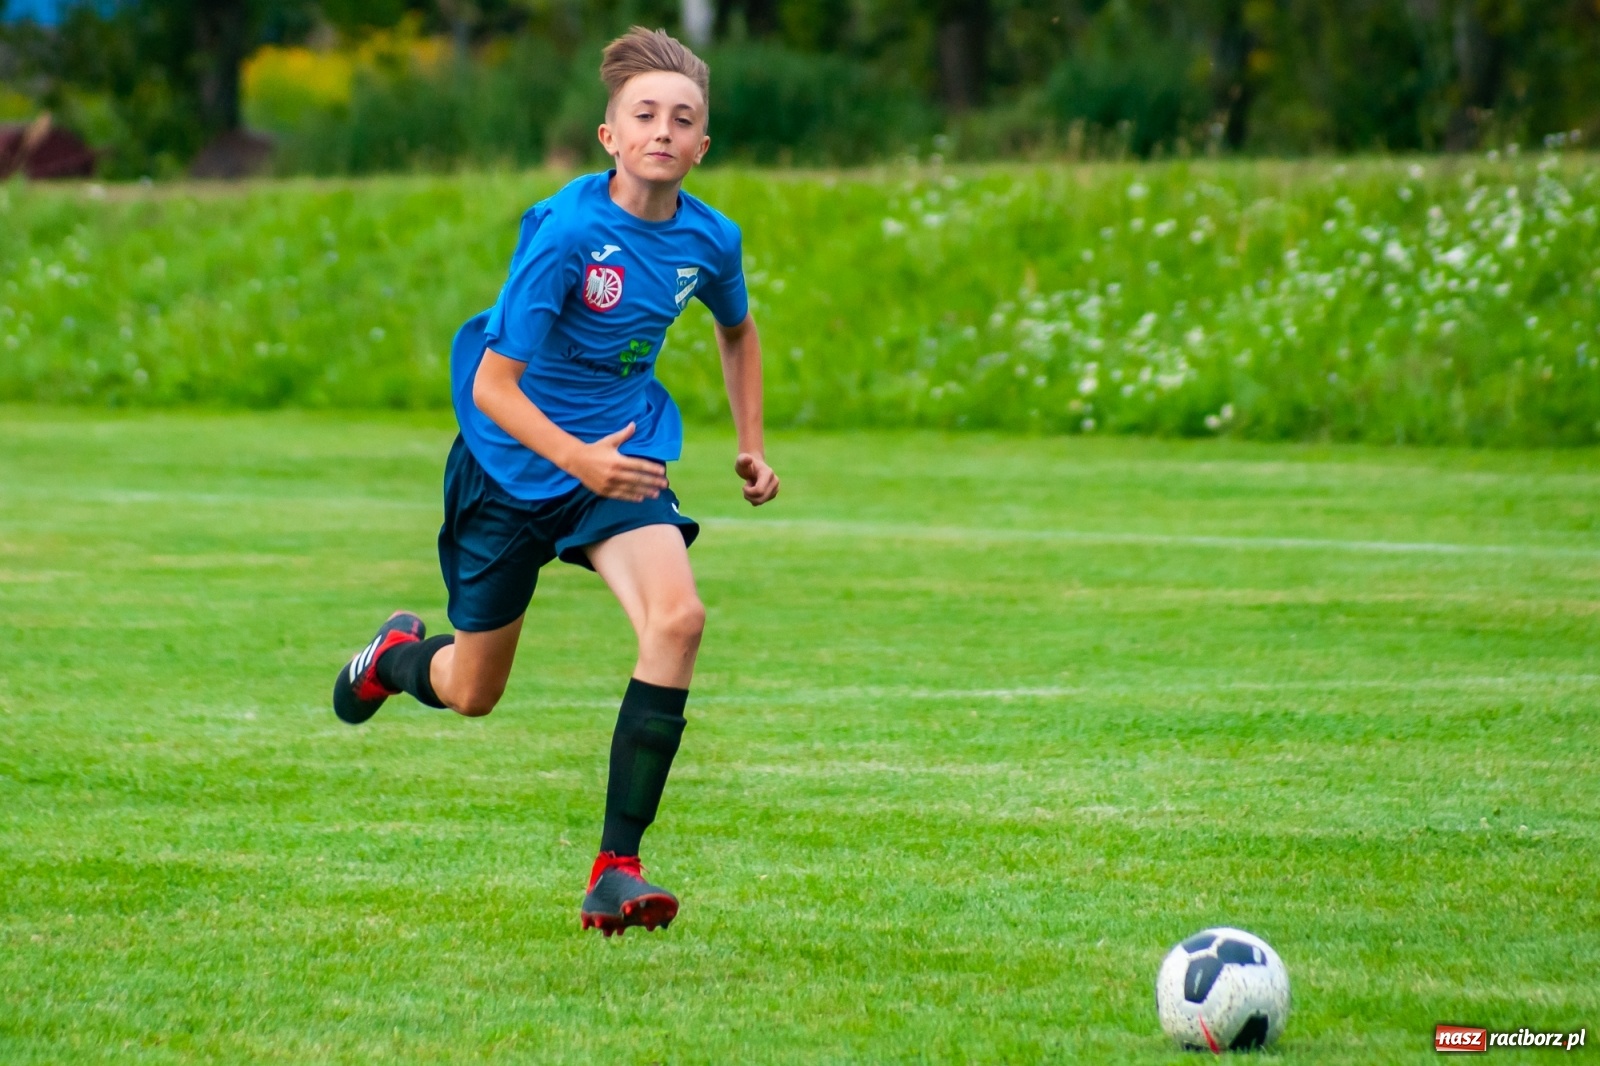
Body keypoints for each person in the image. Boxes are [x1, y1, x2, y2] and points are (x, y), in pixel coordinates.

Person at [331, 26, 778, 937]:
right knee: (472, 690)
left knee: (678, 621)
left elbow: (738, 328)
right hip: (511, 463)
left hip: (620, 458)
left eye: (682, 118)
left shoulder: (711, 239)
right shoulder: (569, 230)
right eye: (644, 114)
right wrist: (576, 459)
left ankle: (616, 868)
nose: (663, 129)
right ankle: (392, 659)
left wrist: (750, 441)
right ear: (610, 136)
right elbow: (495, 385)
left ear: (702, 147)